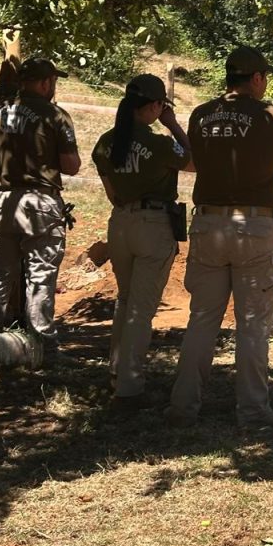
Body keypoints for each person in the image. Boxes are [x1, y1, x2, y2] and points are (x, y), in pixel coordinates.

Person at [167, 46, 273, 428]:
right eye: (265, 77)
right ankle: (253, 410)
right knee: (253, 323)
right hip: (254, 228)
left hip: (207, 226)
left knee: (202, 319)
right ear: (256, 79)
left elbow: (196, 160)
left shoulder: (200, 114)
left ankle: (183, 406)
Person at [91, 74, 194, 410]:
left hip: (120, 224)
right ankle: (130, 388)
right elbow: (194, 161)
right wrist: (173, 124)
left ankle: (117, 373)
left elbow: (112, 194)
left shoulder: (106, 143)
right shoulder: (159, 144)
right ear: (155, 106)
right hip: (153, 225)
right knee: (141, 308)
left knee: (125, 300)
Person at [0, 57, 81, 358]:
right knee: (40, 275)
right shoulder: (55, 115)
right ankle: (42, 346)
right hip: (40, 203)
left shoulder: (0, 112)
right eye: (53, 81)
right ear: (45, 83)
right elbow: (71, 165)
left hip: (2, 201)